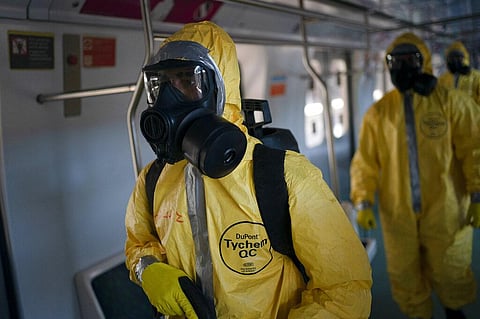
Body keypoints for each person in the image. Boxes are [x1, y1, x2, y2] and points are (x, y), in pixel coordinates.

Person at [125, 21, 372, 318]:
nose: (168, 101)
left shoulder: (283, 176)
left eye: (187, 82)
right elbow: (139, 244)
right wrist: (147, 270)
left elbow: (345, 290)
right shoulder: (152, 180)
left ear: (221, 87)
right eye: (161, 85)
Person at [350, 32, 480, 319]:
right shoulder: (379, 113)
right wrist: (362, 201)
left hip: (447, 207)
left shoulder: (451, 102)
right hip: (398, 214)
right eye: (396, 61)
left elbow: (474, 148)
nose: (403, 67)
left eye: (410, 60)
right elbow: (365, 161)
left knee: (451, 270)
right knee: (404, 274)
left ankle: (453, 311)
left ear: (424, 63)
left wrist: (477, 194)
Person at [438, 40, 480, 105]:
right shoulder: (442, 80)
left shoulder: (477, 77)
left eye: (458, 57)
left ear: (465, 58)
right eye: (451, 58)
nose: (455, 61)